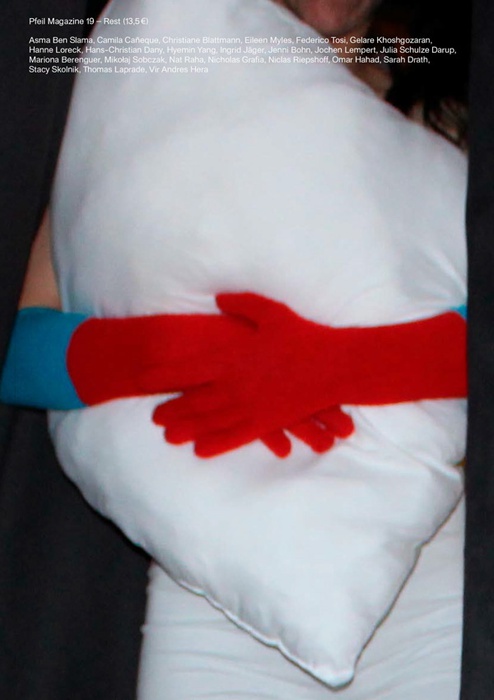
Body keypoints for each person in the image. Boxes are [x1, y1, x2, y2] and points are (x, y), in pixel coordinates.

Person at [0, 0, 469, 698]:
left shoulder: (448, 104)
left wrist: (339, 366)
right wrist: (176, 353)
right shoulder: (166, 92)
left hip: (432, 587)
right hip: (216, 597)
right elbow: (23, 350)